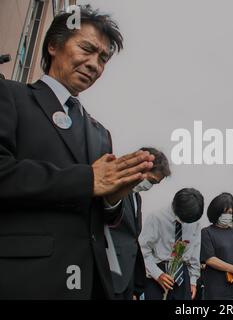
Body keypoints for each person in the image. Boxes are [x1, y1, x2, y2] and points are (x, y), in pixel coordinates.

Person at [0, 6, 155, 299]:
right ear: (53, 45)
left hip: (91, 282)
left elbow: (102, 217)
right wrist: (87, 180)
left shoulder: (100, 132)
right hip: (23, 278)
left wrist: (112, 199)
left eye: (103, 58)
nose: (94, 64)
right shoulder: (10, 96)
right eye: (87, 48)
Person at [109, 147, 171, 300]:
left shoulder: (136, 198)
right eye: (151, 181)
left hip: (128, 279)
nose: (149, 187)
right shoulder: (114, 191)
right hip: (111, 274)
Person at [140, 188, 204, 300]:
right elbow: (143, 251)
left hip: (182, 274)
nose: (186, 223)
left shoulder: (194, 221)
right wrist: (157, 274)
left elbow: (195, 253)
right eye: (184, 220)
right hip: (158, 272)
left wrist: (193, 281)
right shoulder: (156, 218)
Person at [200, 193, 233, 300]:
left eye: (230, 212)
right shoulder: (207, 232)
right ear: (216, 211)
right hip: (218, 290)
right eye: (224, 212)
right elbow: (209, 258)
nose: (227, 215)